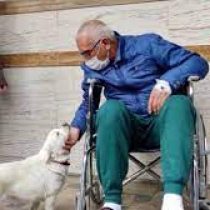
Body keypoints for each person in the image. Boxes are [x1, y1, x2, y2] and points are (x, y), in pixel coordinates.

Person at [64, 20, 209, 210]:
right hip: (124, 130)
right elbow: (88, 103)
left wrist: (167, 82)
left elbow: (197, 62)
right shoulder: (94, 67)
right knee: (110, 109)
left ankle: (173, 199)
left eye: (87, 52)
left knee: (179, 103)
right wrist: (76, 129)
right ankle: (112, 202)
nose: (85, 59)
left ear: (105, 43)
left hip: (163, 125)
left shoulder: (147, 45)